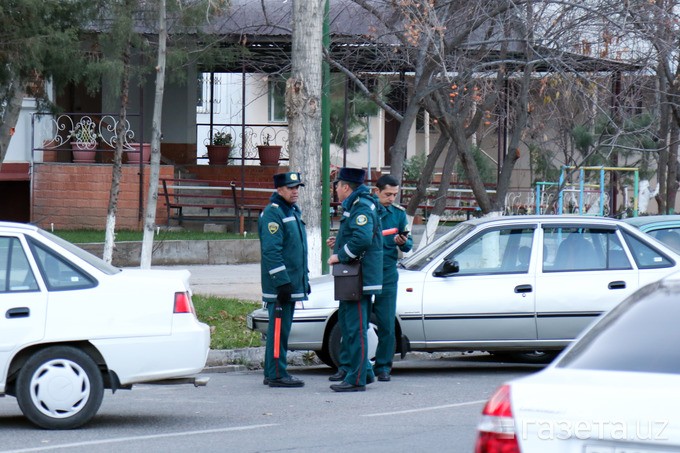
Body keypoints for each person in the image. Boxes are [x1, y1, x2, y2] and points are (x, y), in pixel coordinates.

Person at [327, 167, 383, 392]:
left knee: (356, 327)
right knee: (350, 325)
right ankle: (364, 372)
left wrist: (339, 255)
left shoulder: (361, 206)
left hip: (359, 277)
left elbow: (362, 239)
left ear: (346, 187)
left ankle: (356, 378)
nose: (336, 190)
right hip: (354, 276)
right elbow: (354, 235)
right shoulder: (357, 204)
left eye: (337, 186)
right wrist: (339, 242)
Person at [259, 171, 309, 388]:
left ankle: (273, 371)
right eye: (291, 188)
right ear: (279, 189)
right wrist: (282, 281)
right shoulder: (273, 213)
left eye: (297, 187)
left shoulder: (290, 210)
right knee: (279, 330)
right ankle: (278, 374)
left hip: (290, 283)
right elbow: (271, 251)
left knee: (282, 329)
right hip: (281, 285)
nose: (295, 191)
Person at [372, 174, 412, 382]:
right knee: (357, 320)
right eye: (387, 194)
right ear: (376, 191)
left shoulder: (398, 214)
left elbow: (408, 244)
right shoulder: (367, 211)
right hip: (366, 269)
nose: (391, 198)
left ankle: (383, 366)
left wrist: (402, 241)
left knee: (387, 322)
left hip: (387, 271)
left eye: (395, 195)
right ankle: (354, 365)